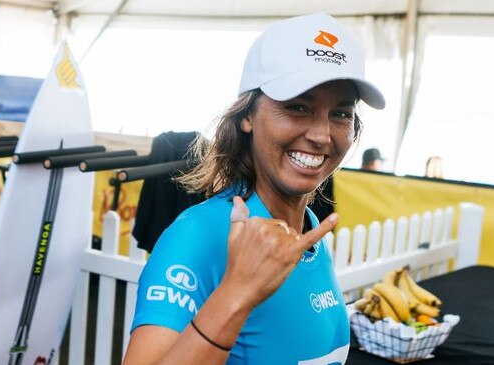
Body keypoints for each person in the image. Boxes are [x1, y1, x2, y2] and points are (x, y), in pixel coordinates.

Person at [123, 12, 385, 364]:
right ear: (247, 115)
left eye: (340, 114)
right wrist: (237, 293)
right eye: (297, 107)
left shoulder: (307, 230)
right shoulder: (198, 235)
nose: (322, 135)